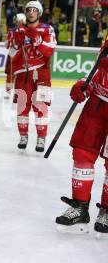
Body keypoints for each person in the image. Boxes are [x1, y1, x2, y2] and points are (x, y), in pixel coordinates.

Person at [55, 37, 108, 236]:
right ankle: (80, 207)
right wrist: (84, 86)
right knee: (82, 153)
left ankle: (107, 209)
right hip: (96, 105)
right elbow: (97, 72)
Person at [8, 1, 56, 152]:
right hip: (23, 73)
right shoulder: (18, 30)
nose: (31, 12)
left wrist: (38, 40)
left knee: (41, 106)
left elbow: (49, 51)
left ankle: (41, 138)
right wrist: (16, 43)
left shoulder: (47, 29)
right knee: (22, 107)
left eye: (34, 10)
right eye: (28, 10)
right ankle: (23, 136)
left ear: (39, 13)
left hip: (42, 73)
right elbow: (11, 56)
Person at [4, 13, 26, 99]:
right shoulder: (28, 30)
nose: (15, 22)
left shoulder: (12, 31)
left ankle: (8, 93)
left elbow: (7, 45)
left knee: (10, 74)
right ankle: (20, 93)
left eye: (16, 21)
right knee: (22, 74)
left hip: (13, 52)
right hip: (24, 52)